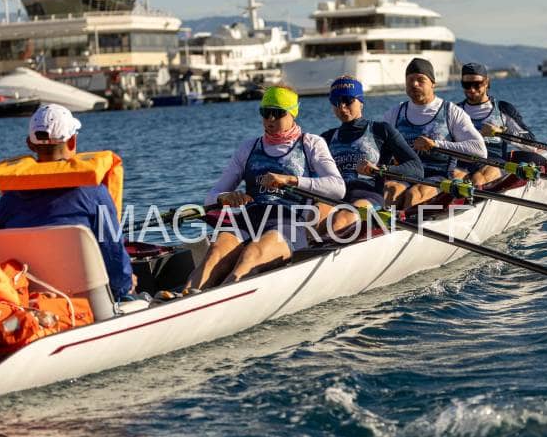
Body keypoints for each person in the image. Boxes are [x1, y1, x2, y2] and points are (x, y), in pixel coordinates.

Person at [181, 85, 345, 293]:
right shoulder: (248, 148)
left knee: (252, 253)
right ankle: (183, 297)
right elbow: (210, 199)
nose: (270, 119)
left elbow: (337, 188)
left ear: (293, 113)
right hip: (249, 219)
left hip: (289, 222)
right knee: (215, 252)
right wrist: (225, 198)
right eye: (265, 112)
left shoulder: (310, 144)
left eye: (277, 113)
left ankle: (220, 297)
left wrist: (291, 180)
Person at [0, 103, 133, 299]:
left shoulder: (8, 201)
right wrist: (125, 286)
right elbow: (113, 253)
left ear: (30, 144)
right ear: (72, 141)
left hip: (29, 303)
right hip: (90, 304)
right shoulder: (95, 193)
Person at [318, 75, 424, 234]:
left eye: (348, 100)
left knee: (339, 221)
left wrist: (381, 170)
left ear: (360, 101)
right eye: (336, 102)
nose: (342, 107)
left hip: (369, 197)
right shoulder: (326, 138)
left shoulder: (381, 130)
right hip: (335, 197)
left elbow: (416, 168)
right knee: (311, 217)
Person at [383, 58, 487, 207]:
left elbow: (480, 151)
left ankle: (410, 220)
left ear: (433, 83)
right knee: (388, 191)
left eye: (421, 80)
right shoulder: (394, 114)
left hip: (439, 176)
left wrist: (435, 145)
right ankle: (385, 221)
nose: (414, 84)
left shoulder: (451, 112)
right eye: (410, 80)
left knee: (414, 194)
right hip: (405, 174)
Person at [457, 62, 539, 185]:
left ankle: (474, 194)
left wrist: (500, 132)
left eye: (477, 84)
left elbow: (532, 145)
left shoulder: (503, 109)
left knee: (478, 179)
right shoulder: (454, 112)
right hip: (462, 162)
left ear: (486, 82)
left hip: (493, 163)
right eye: (467, 85)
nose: (472, 89)